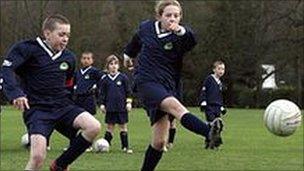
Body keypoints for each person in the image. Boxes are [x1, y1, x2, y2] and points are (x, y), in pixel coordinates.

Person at [123, 0, 223, 170]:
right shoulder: (146, 28)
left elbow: (192, 39)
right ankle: (208, 131)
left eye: (176, 16)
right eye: (168, 15)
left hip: (168, 85)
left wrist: (180, 31)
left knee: (159, 141)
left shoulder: (181, 37)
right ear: (159, 16)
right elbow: (133, 44)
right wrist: (127, 56)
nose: (172, 19)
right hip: (146, 82)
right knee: (176, 107)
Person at [1, 14, 101, 171]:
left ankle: (60, 165)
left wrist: (72, 103)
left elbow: (68, 84)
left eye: (68, 35)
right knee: (38, 157)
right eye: (61, 34)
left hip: (62, 107)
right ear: (47, 33)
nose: (65, 39)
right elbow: (6, 69)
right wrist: (16, 93)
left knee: (93, 126)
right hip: (38, 110)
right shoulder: (27, 49)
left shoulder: (69, 58)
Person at [98, 55, 133, 154]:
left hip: (121, 108)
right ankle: (105, 146)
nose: (113, 66)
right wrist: (102, 104)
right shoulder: (105, 79)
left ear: (118, 65)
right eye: (111, 64)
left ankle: (125, 147)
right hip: (110, 108)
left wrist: (129, 102)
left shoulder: (123, 78)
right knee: (110, 128)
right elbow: (102, 94)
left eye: (115, 64)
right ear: (107, 66)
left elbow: (128, 92)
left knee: (123, 127)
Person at [199, 60, 226, 149]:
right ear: (214, 70)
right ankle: (212, 142)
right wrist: (203, 101)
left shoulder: (220, 83)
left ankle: (211, 142)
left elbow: (219, 96)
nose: (221, 71)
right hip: (209, 106)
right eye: (219, 69)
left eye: (223, 69)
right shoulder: (209, 79)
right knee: (212, 124)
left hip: (217, 107)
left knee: (218, 125)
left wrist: (222, 106)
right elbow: (204, 90)